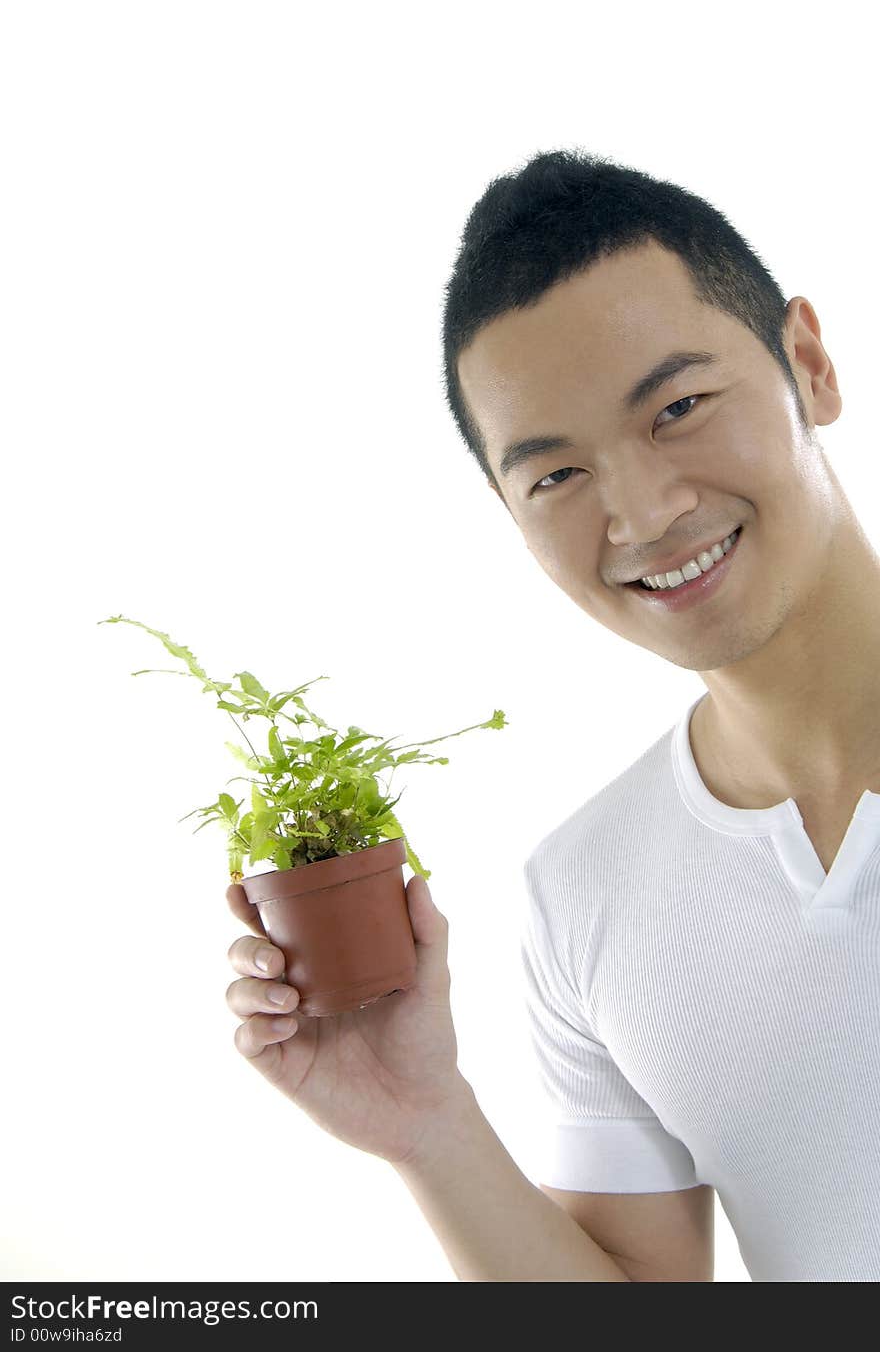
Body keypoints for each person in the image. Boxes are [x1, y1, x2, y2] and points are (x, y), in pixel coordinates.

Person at [225, 149, 880, 1282]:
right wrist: (428, 1126)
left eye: (677, 407)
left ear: (807, 367)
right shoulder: (588, 890)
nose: (642, 511)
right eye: (556, 476)